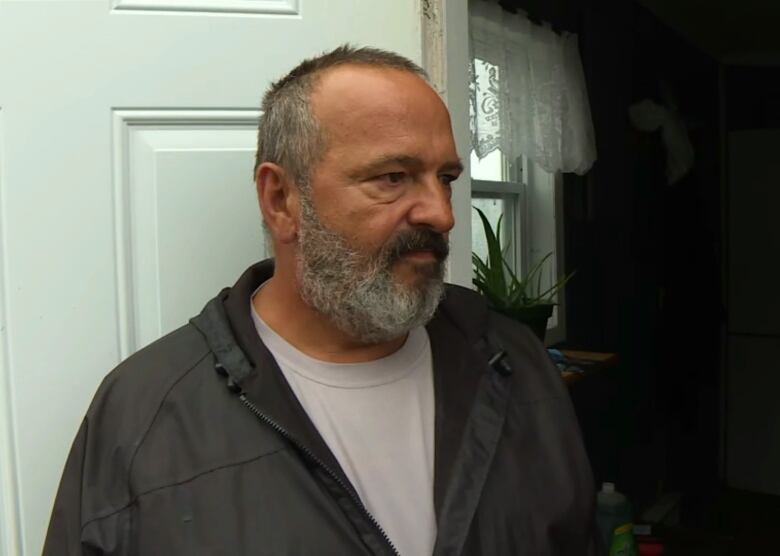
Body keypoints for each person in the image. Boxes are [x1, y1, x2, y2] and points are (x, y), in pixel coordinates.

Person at [44, 45, 596, 555]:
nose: (441, 213)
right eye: (394, 176)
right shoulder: (144, 415)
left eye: (445, 177)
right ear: (281, 199)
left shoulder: (514, 364)